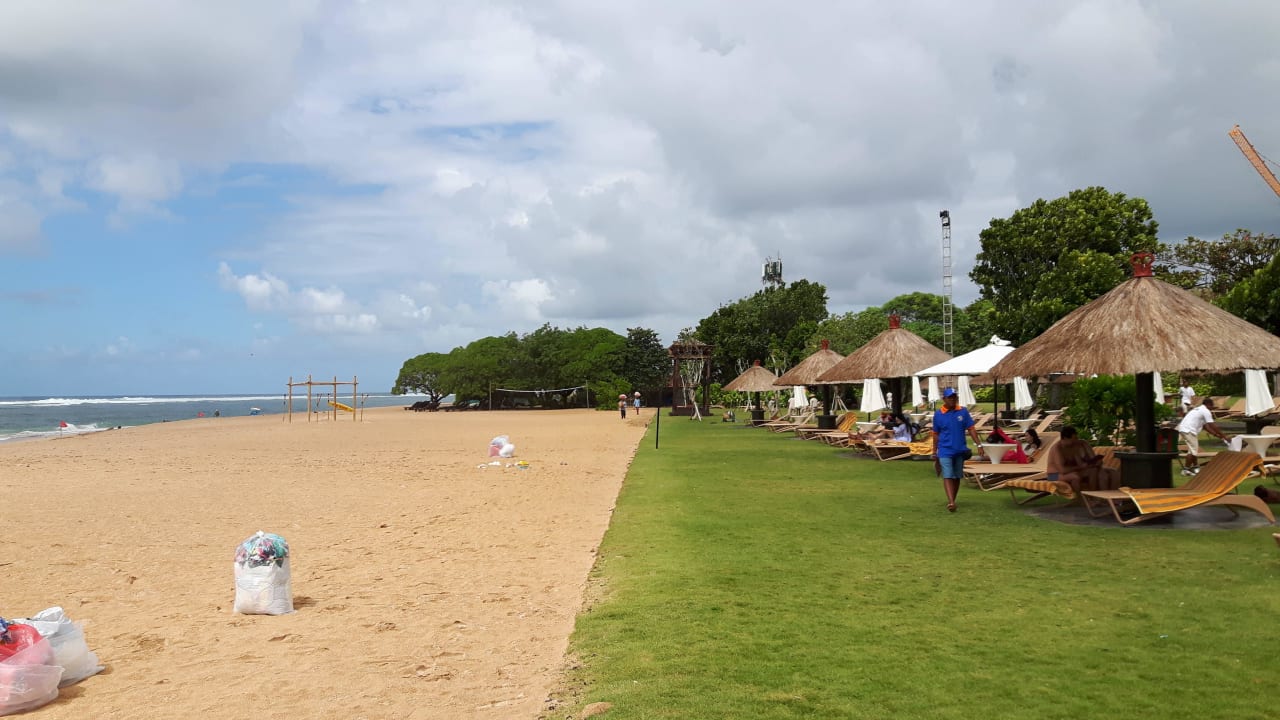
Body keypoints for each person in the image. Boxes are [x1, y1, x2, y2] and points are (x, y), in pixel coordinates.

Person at [931, 387, 983, 513]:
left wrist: (979, 445)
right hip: (945, 449)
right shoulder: (938, 414)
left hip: (960, 449)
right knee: (948, 475)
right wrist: (934, 451)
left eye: (954, 397)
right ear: (944, 399)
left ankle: (952, 499)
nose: (953, 399)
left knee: (957, 476)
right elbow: (935, 434)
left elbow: (971, 428)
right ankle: (951, 502)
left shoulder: (963, 412)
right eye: (950, 397)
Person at [1045, 426, 1113, 495]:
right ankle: (1079, 499)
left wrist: (1092, 463)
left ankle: (1093, 495)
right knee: (1075, 476)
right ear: (1065, 438)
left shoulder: (1072, 447)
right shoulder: (1057, 449)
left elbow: (1079, 464)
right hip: (1053, 475)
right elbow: (1062, 470)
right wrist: (1081, 467)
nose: (1076, 440)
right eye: (1074, 438)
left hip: (1068, 473)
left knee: (1093, 471)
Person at [1176, 397, 1229, 475]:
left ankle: (1195, 467)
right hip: (1189, 430)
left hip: (1185, 429)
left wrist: (1217, 435)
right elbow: (1212, 425)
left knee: (1193, 450)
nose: (1212, 408)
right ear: (1208, 404)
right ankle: (1186, 470)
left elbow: (1206, 427)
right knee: (1193, 451)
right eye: (1211, 406)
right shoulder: (1205, 411)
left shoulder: (1198, 409)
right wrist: (1224, 436)